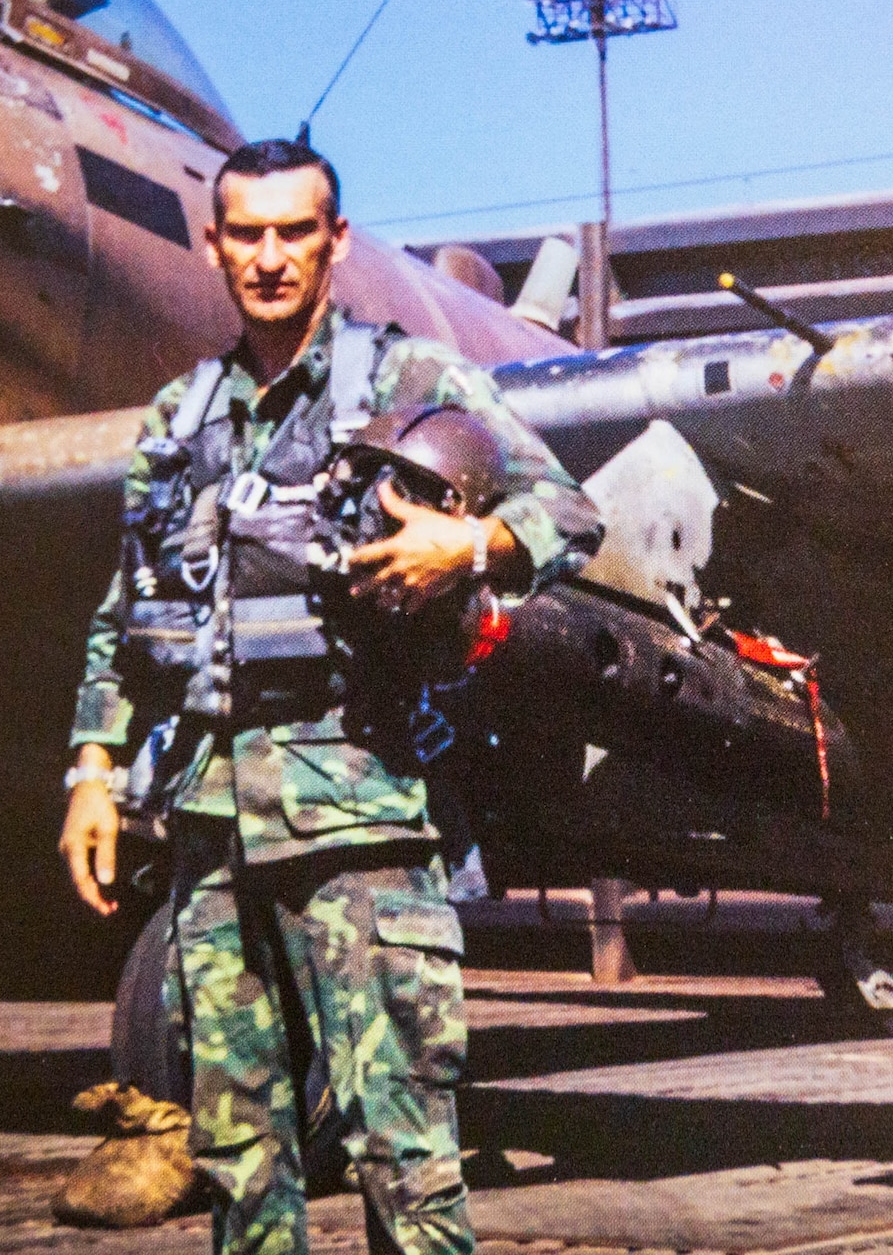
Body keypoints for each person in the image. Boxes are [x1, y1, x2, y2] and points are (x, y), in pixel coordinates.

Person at [60, 138, 601, 1255]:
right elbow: (129, 614)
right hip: (213, 838)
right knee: (237, 1157)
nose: (268, 258)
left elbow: (571, 512)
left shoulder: (408, 381)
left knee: (402, 1149)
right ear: (213, 244)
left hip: (361, 826)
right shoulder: (176, 421)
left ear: (333, 241)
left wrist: (473, 537)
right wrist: (93, 772)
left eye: (292, 232)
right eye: (245, 234)